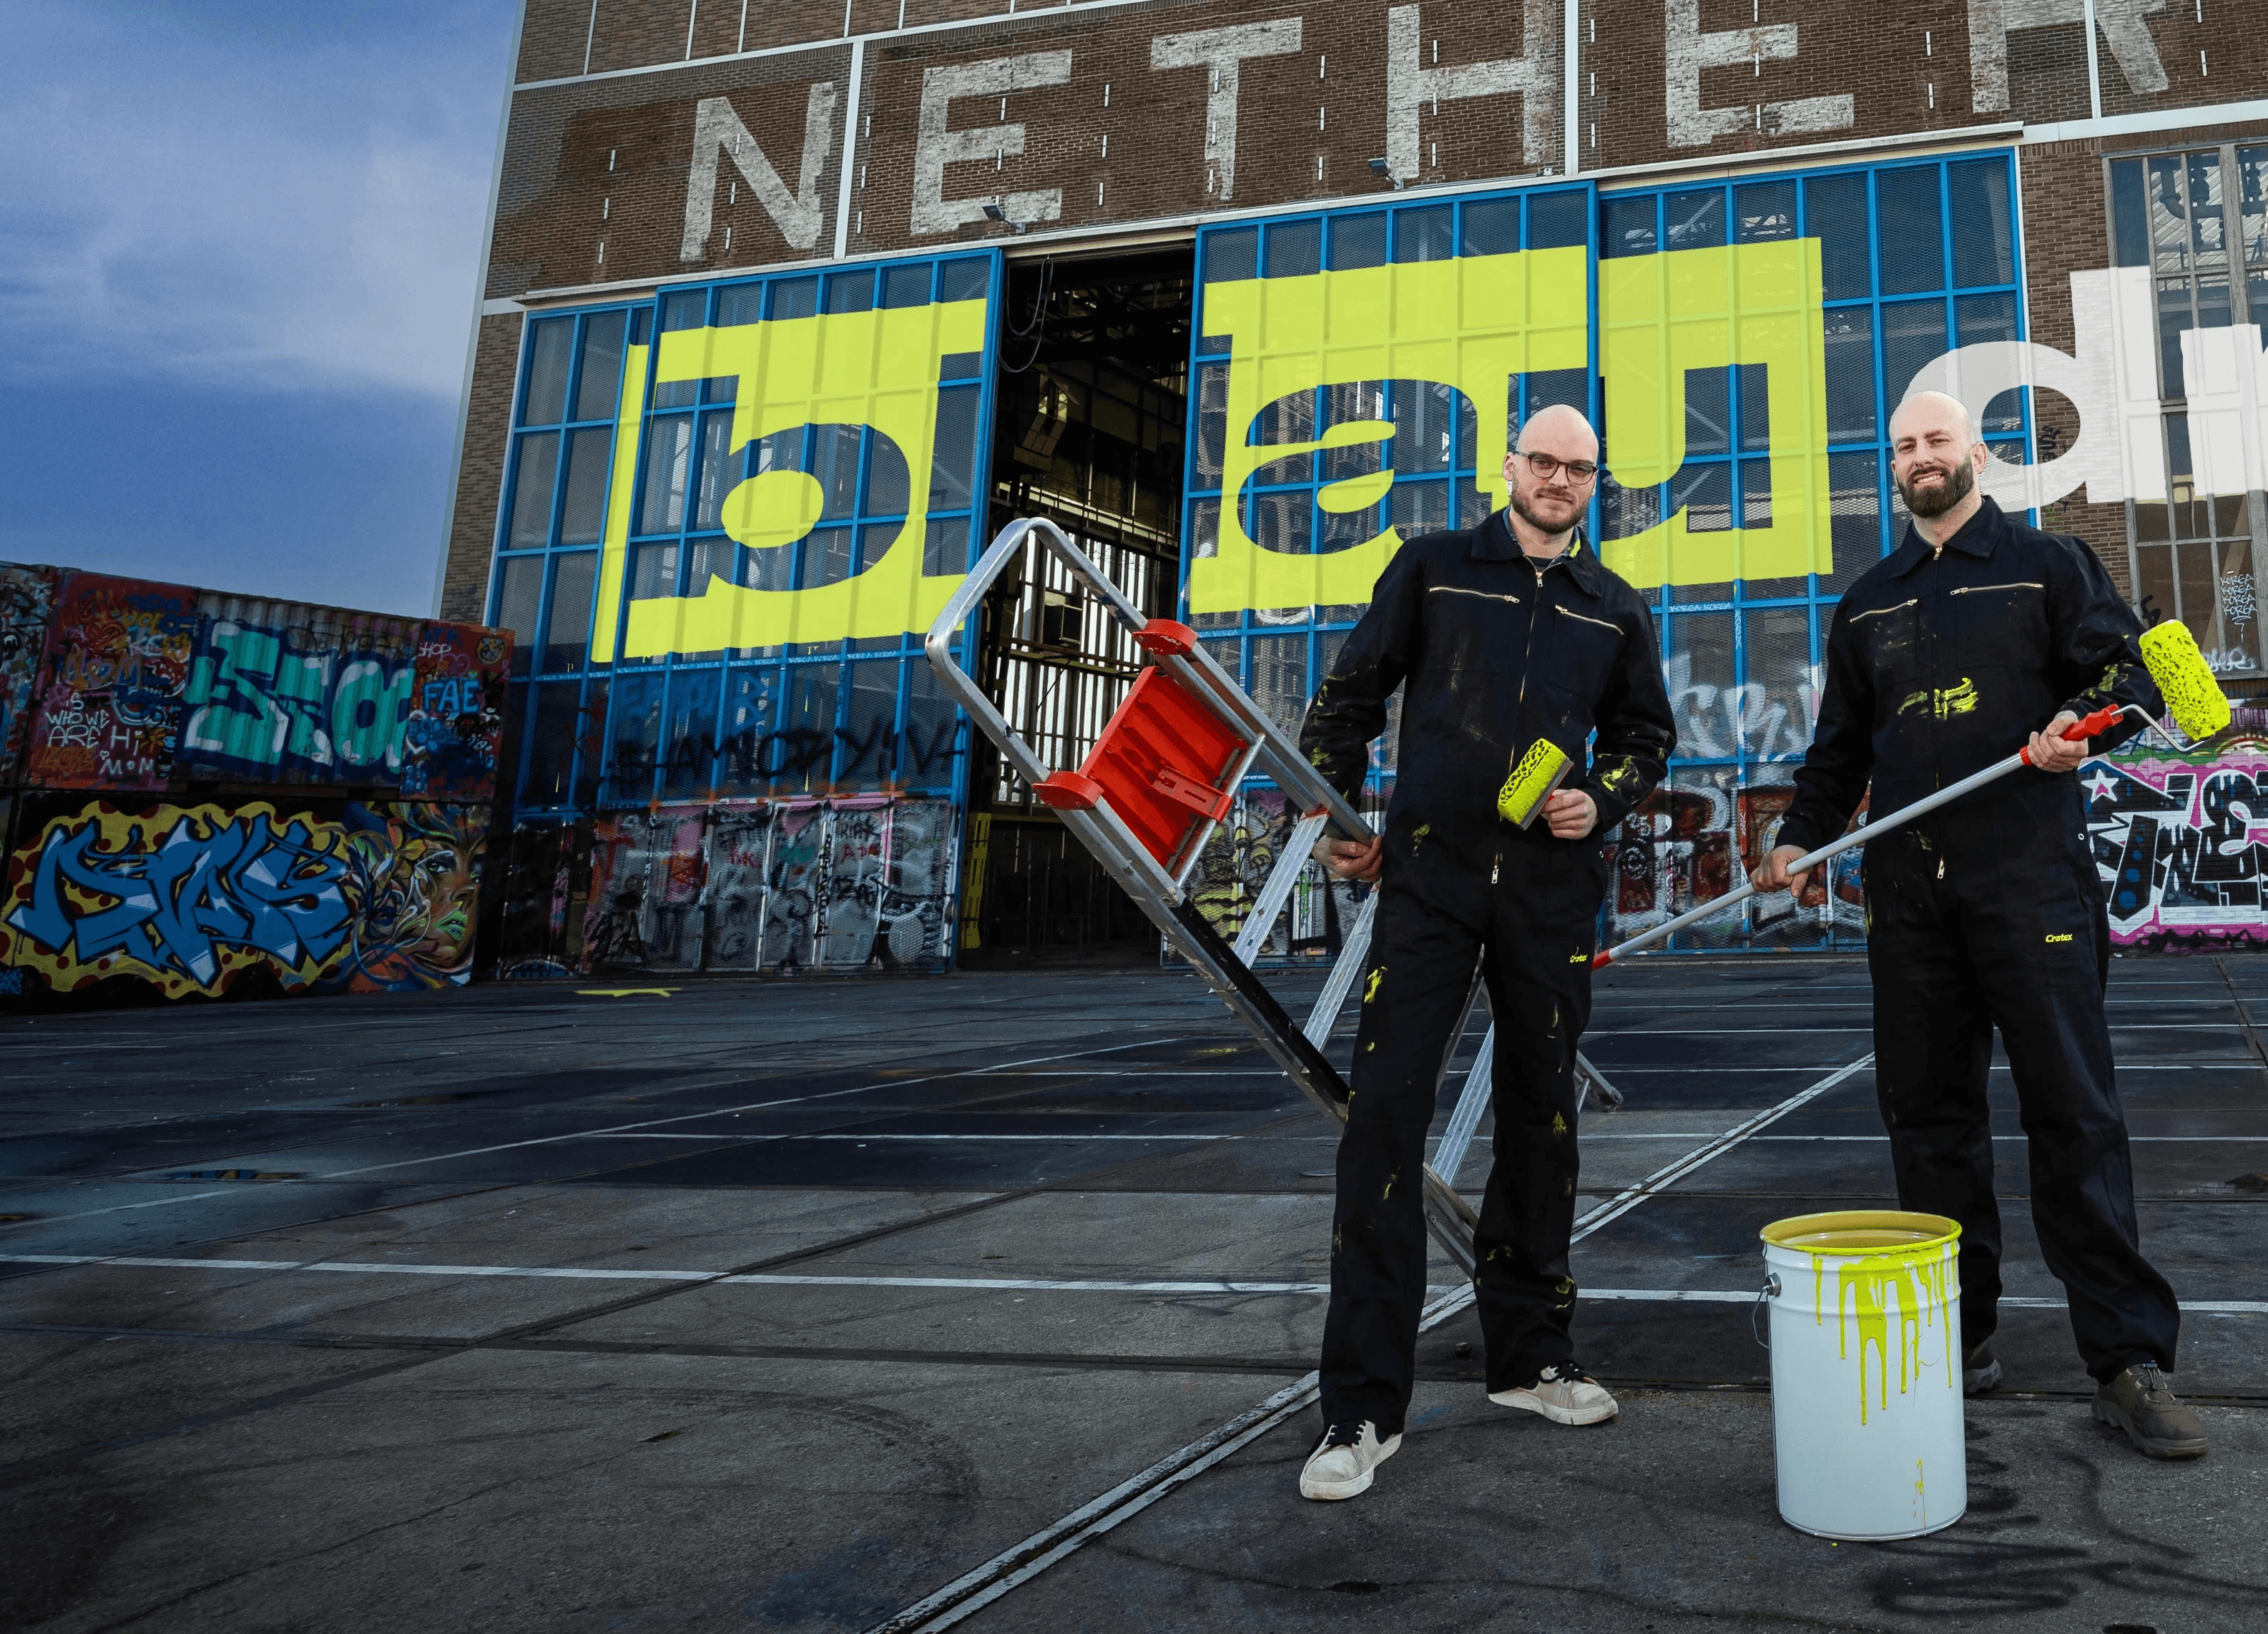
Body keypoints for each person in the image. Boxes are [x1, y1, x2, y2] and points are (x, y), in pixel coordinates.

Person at [1751, 389, 2204, 1460]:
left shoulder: (2049, 566)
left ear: (1977, 454)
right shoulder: (1867, 601)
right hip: (1907, 899)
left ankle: (2126, 1361)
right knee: (1928, 1123)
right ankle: (1952, 1342)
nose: (1919, 457)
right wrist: (1798, 838)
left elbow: (2126, 673)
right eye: (1903, 445)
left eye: (1935, 440)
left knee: (2074, 1118)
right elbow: (1839, 747)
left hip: (2030, 887)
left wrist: (2072, 730)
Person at [1292, 403, 1676, 1501]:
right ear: (1507, 466)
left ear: (1594, 483)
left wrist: (1596, 801)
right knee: (1382, 1129)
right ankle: (1361, 1411)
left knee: (1539, 1121)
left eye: (1578, 469)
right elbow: (1347, 700)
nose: (1557, 479)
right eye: (1541, 461)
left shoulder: (1613, 606)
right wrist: (1339, 818)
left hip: (1549, 896)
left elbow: (1647, 739)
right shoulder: (1433, 569)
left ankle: (1530, 1357)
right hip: (1426, 881)